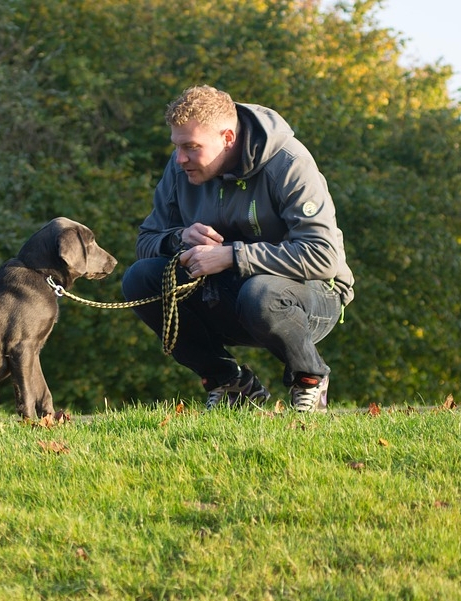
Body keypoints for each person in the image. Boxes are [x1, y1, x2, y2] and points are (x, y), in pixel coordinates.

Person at [121, 85, 354, 412]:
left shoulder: (288, 163)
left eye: (191, 147)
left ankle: (310, 379)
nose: (180, 158)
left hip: (309, 297)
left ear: (228, 138)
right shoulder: (180, 169)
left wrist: (232, 256)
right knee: (139, 278)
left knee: (260, 293)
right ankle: (230, 383)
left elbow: (322, 256)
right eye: (176, 146)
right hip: (228, 296)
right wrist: (181, 237)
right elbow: (146, 241)